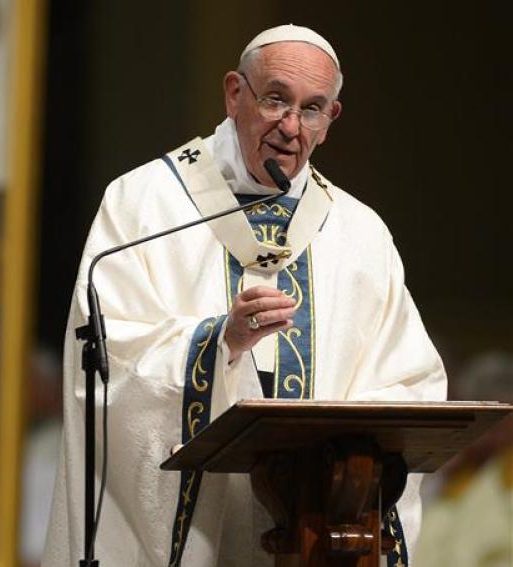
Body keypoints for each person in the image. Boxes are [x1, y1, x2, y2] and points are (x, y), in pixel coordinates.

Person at [43, 25, 447, 567]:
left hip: (314, 534)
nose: (289, 126)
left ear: (331, 121)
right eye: (275, 98)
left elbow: (411, 380)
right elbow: (112, 358)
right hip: (197, 531)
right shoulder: (145, 205)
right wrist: (218, 343)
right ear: (234, 93)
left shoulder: (359, 232)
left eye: (312, 109)